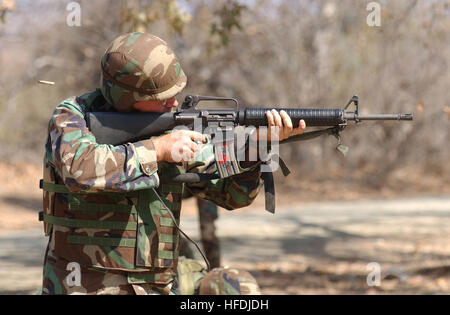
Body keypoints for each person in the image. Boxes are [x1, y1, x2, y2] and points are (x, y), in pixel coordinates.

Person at [40, 32, 306, 295]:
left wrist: (254, 149)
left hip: (157, 286)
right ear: (126, 98)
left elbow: (234, 196)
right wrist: (158, 149)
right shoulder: (73, 116)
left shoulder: (173, 127)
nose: (174, 103)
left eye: (174, 94)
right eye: (162, 98)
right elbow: (80, 171)